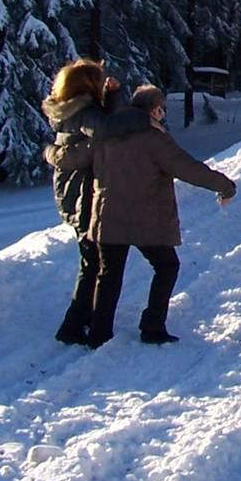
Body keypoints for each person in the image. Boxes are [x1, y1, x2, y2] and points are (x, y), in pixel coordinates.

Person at [88, 85, 236, 346]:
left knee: (108, 273)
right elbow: (187, 168)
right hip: (145, 218)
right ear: (154, 110)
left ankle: (99, 333)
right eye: (162, 109)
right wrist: (224, 185)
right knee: (167, 267)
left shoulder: (107, 134)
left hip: (107, 214)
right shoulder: (154, 138)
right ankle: (152, 326)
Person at [42, 59, 151, 346]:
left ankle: (83, 318)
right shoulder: (84, 112)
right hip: (83, 194)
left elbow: (101, 125)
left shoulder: (72, 109)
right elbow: (105, 128)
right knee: (93, 262)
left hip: (73, 191)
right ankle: (73, 324)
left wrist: (112, 95)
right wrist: (143, 117)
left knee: (92, 260)